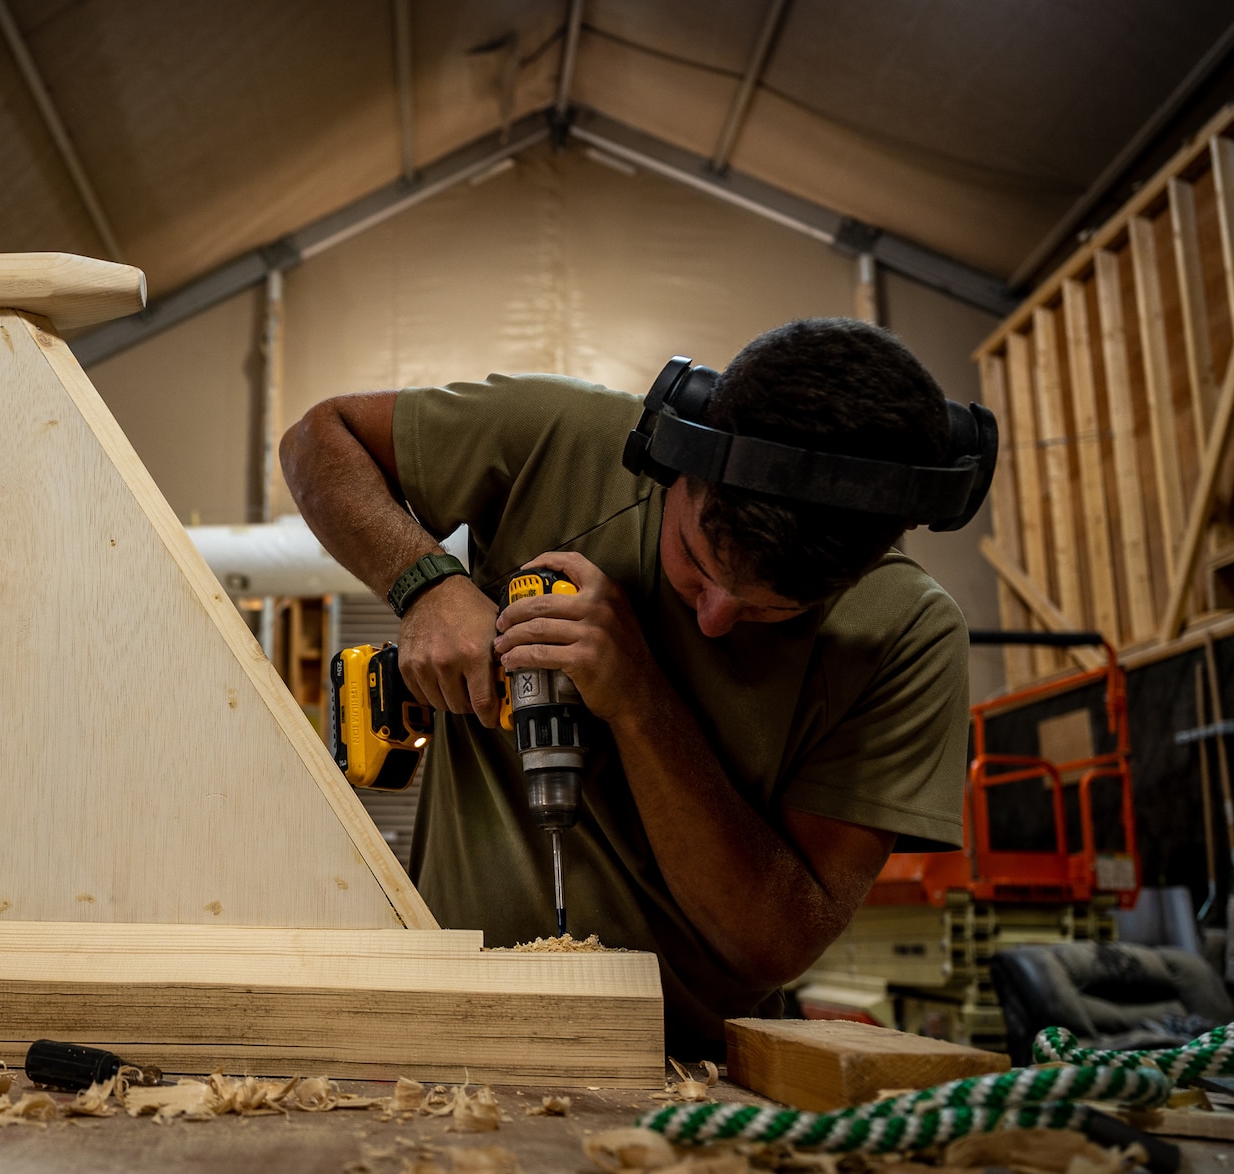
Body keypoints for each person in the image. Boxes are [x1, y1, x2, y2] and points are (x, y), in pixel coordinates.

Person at [280, 318, 970, 1054]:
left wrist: (639, 697)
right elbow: (319, 439)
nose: (712, 619)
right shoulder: (562, 438)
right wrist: (426, 585)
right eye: (696, 563)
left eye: (772, 609)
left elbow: (772, 942)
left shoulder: (907, 635)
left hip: (689, 1069)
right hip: (450, 1037)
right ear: (673, 453)